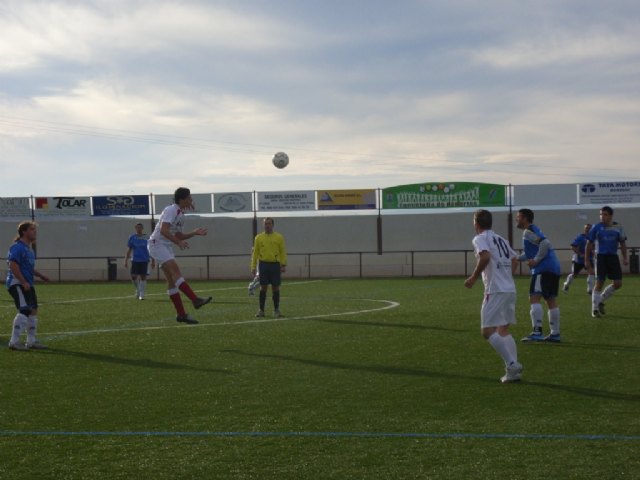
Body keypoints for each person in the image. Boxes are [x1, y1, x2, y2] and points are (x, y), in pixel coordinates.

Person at [465, 210, 522, 383]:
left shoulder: (480, 238)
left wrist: (473, 278)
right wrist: (507, 276)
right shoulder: (501, 239)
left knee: (487, 331)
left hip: (495, 290)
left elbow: (485, 257)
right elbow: (515, 259)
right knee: (503, 330)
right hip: (509, 289)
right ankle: (514, 371)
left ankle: (512, 364)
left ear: (476, 223)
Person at [148, 187, 212, 324]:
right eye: (189, 198)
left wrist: (194, 233)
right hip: (157, 244)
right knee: (176, 271)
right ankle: (195, 299)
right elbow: (164, 231)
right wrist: (178, 242)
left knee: (172, 280)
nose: (191, 200)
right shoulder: (171, 209)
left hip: (165, 245)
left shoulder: (181, 214)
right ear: (181, 199)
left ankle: (181, 315)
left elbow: (179, 235)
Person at [515, 208, 562, 343]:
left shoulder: (528, 231)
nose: (516, 220)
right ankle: (555, 333)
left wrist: (536, 260)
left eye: (518, 217)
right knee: (550, 300)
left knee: (534, 298)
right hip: (553, 267)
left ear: (525, 218)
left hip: (543, 268)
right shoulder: (533, 231)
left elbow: (545, 243)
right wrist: (517, 258)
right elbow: (530, 253)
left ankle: (537, 332)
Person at [6, 221, 50, 350]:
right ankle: (14, 342)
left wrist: (40, 276)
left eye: (35, 229)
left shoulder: (29, 250)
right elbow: (13, 265)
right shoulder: (17, 247)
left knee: (33, 310)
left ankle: (31, 341)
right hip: (17, 283)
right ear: (24, 232)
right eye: (32, 229)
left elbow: (28, 267)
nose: (35, 232)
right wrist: (23, 281)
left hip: (27, 283)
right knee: (24, 309)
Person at [585, 206, 628, 318]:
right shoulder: (596, 227)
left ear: (610, 216)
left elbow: (622, 243)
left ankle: (601, 300)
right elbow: (589, 244)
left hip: (613, 257)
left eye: (605, 214)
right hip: (600, 257)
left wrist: (625, 257)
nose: (602, 217)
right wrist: (586, 260)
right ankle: (594, 310)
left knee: (618, 283)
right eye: (600, 214)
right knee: (599, 283)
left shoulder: (618, 227)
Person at [250, 217, 287, 318]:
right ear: (263, 225)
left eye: (269, 223)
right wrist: (253, 267)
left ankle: (276, 310)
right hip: (263, 265)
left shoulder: (279, 237)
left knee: (275, 287)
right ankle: (261, 310)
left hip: (275, 265)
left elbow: (282, 251)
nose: (267, 225)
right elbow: (255, 253)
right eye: (265, 224)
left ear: (272, 225)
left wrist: (283, 264)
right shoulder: (258, 238)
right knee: (263, 288)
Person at [124, 222, 155, 300]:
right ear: (135, 228)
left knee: (143, 277)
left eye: (140, 227)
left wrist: (153, 260)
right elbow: (129, 249)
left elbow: (151, 250)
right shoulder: (132, 237)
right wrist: (125, 260)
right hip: (135, 260)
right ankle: (138, 289)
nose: (139, 229)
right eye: (137, 227)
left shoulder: (147, 237)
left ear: (142, 228)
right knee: (134, 276)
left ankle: (142, 294)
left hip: (144, 260)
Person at [563, 223, 595, 295]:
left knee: (592, 273)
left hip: (588, 259)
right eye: (586, 228)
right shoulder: (580, 237)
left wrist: (593, 252)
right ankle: (566, 284)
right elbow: (573, 247)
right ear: (584, 229)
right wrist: (580, 254)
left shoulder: (593, 238)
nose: (588, 230)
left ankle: (590, 290)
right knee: (574, 274)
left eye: (589, 228)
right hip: (578, 260)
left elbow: (593, 247)